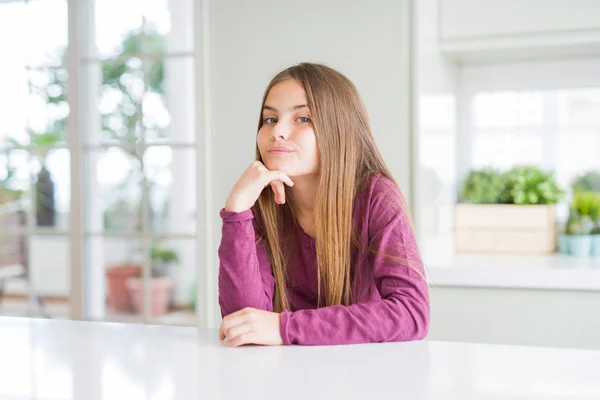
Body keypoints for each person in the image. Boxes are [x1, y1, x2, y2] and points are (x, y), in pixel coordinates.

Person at [218, 63, 429, 346]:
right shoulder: (258, 203)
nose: (277, 131)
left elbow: (411, 313)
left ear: (338, 129)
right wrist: (236, 210)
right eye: (269, 119)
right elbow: (243, 324)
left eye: (302, 118)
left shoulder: (375, 197)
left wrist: (285, 328)